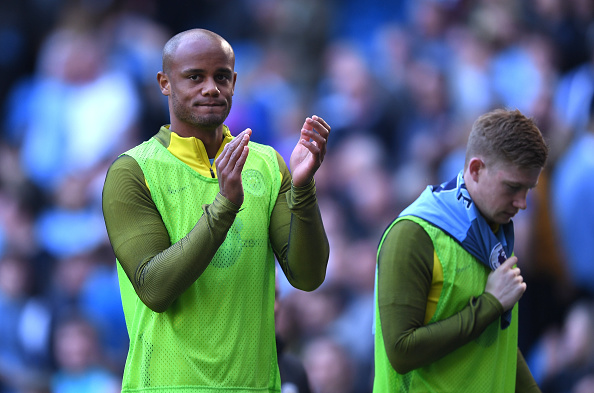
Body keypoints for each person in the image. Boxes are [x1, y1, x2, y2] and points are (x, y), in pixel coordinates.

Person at [102, 28, 331, 392]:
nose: (211, 87)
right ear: (165, 83)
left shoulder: (268, 164)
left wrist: (303, 188)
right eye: (195, 77)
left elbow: (308, 276)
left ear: (234, 82)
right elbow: (154, 289)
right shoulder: (132, 171)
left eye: (221, 76)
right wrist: (224, 206)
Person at [374, 108, 548, 392]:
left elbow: (498, 344)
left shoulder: (494, 232)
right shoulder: (413, 234)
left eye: (528, 189)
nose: (522, 203)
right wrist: (490, 305)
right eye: (513, 187)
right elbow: (401, 351)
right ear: (476, 169)